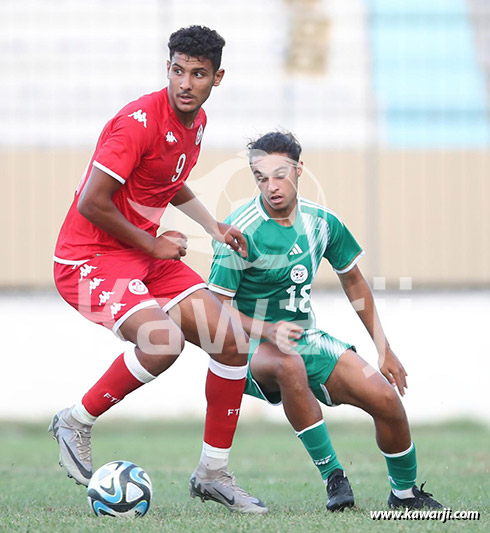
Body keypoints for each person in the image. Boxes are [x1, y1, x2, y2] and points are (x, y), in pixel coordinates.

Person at [49, 25, 268, 515]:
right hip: (87, 258)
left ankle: (214, 473)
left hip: (141, 255)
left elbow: (170, 180)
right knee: (162, 341)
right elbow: (92, 203)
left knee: (229, 339)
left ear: (217, 77)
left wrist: (212, 225)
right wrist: (154, 242)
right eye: (177, 71)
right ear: (166, 68)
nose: (185, 83)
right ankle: (76, 421)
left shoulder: (197, 121)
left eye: (198, 74)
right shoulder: (137, 122)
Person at [208, 131, 443, 511]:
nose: (271, 187)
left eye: (280, 174)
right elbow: (213, 307)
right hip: (245, 346)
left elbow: (354, 280)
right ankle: (335, 477)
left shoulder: (323, 223)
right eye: (261, 177)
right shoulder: (241, 230)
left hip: (304, 337)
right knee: (289, 364)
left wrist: (384, 349)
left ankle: (405, 494)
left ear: (300, 169)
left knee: (385, 397)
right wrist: (268, 330)